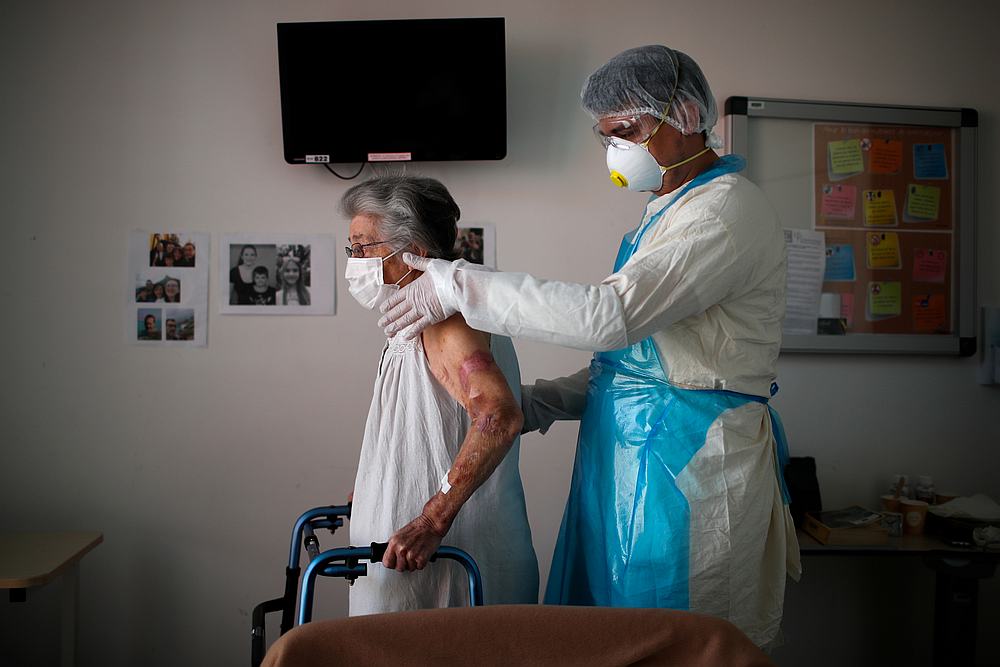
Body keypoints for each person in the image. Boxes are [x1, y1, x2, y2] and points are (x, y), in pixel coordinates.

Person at [377, 45, 799, 647]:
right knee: (601, 639)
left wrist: (457, 281)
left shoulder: (725, 213)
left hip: (690, 471)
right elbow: (643, 368)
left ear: (683, 113)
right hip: (622, 462)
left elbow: (610, 319)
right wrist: (538, 402)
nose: (615, 152)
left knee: (679, 642)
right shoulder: (660, 219)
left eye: (626, 131)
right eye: (605, 137)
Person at [342, 174, 538, 615]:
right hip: (415, 559)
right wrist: (379, 480)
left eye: (364, 247)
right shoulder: (413, 317)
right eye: (350, 248)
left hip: (446, 563)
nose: (355, 261)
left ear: (416, 251)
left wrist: (433, 519)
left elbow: (499, 418)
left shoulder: (448, 321)